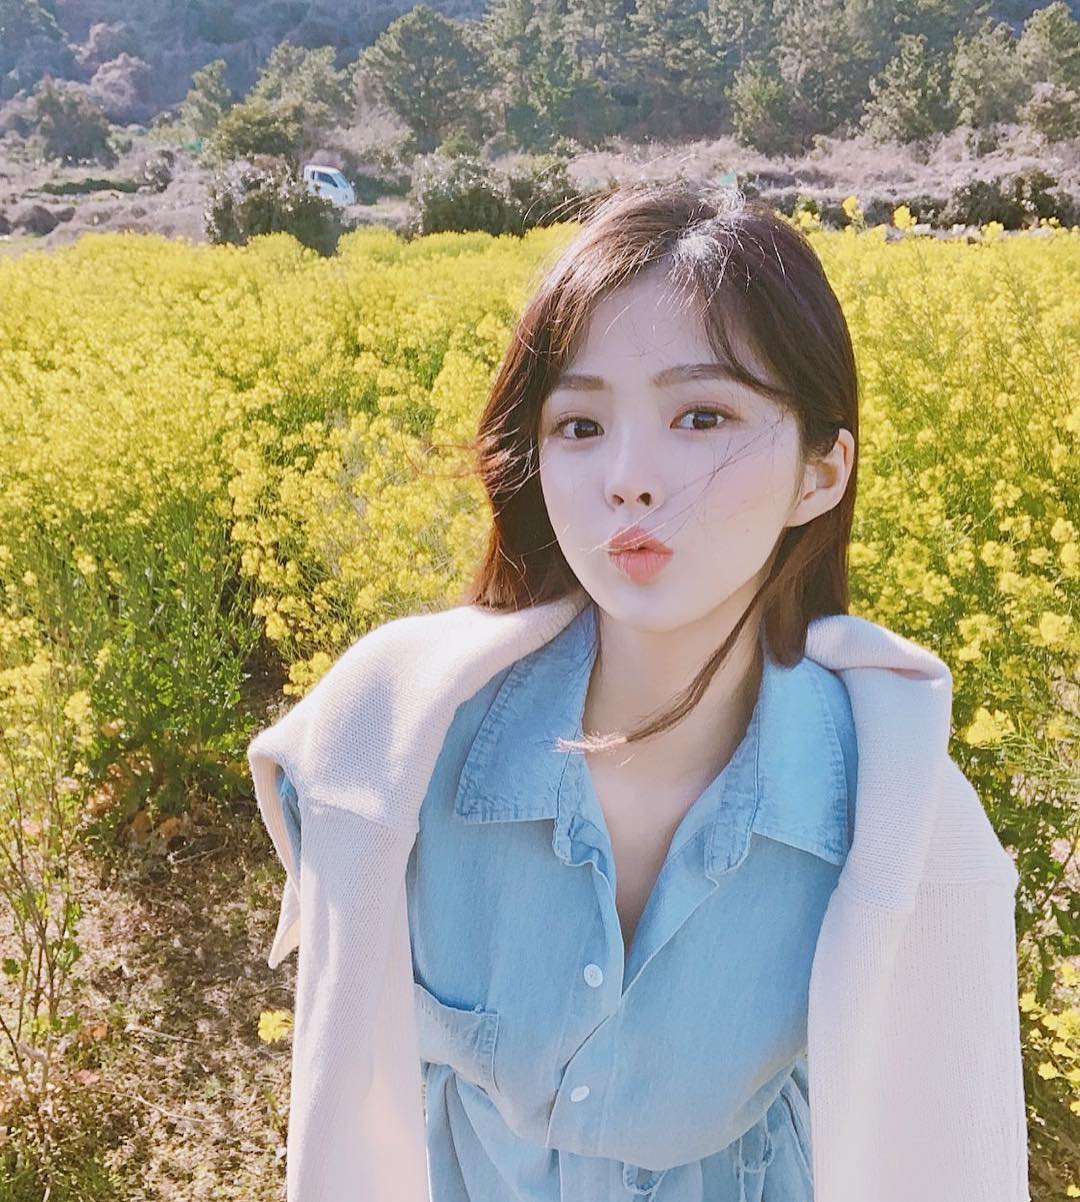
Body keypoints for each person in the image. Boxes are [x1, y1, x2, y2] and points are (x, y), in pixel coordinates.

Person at [249, 180, 1028, 1202]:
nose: (628, 476)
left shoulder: (896, 812)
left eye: (701, 415)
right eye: (579, 424)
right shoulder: (397, 751)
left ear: (821, 472)